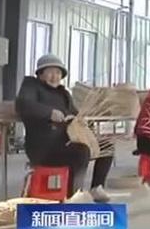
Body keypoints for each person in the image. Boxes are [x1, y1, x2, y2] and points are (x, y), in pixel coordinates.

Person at [15, 54, 113, 202]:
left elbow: (75, 114)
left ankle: (97, 187)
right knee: (81, 152)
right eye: (50, 72)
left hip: (65, 141)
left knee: (106, 146)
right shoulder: (31, 86)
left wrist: (81, 121)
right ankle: (74, 195)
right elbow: (23, 104)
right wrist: (49, 113)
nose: (54, 76)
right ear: (40, 74)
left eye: (58, 73)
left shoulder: (64, 93)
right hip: (44, 148)